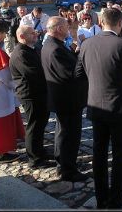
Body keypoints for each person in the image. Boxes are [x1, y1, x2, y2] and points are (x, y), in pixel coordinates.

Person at [76, 8, 122, 209]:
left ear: (101, 22)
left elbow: (78, 74)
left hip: (96, 106)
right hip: (120, 108)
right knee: (120, 155)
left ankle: (101, 197)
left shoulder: (87, 44)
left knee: (99, 153)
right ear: (120, 23)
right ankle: (115, 199)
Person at [41, 17, 87, 182]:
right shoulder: (55, 49)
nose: (69, 29)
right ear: (59, 28)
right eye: (67, 26)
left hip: (64, 98)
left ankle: (65, 162)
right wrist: (82, 58)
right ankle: (68, 169)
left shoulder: (53, 45)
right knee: (69, 135)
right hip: (67, 99)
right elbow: (71, 74)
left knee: (63, 132)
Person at [9, 26, 53, 169]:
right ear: (22, 36)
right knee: (34, 126)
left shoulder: (31, 48)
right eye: (32, 33)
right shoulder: (20, 53)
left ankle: (40, 151)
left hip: (40, 93)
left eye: (35, 32)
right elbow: (33, 74)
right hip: (31, 95)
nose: (36, 34)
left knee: (41, 124)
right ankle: (34, 159)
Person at [0, 20, 25, 163]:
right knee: (1, 126)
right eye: (4, 34)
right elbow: (8, 79)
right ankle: (1, 153)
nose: (4, 37)